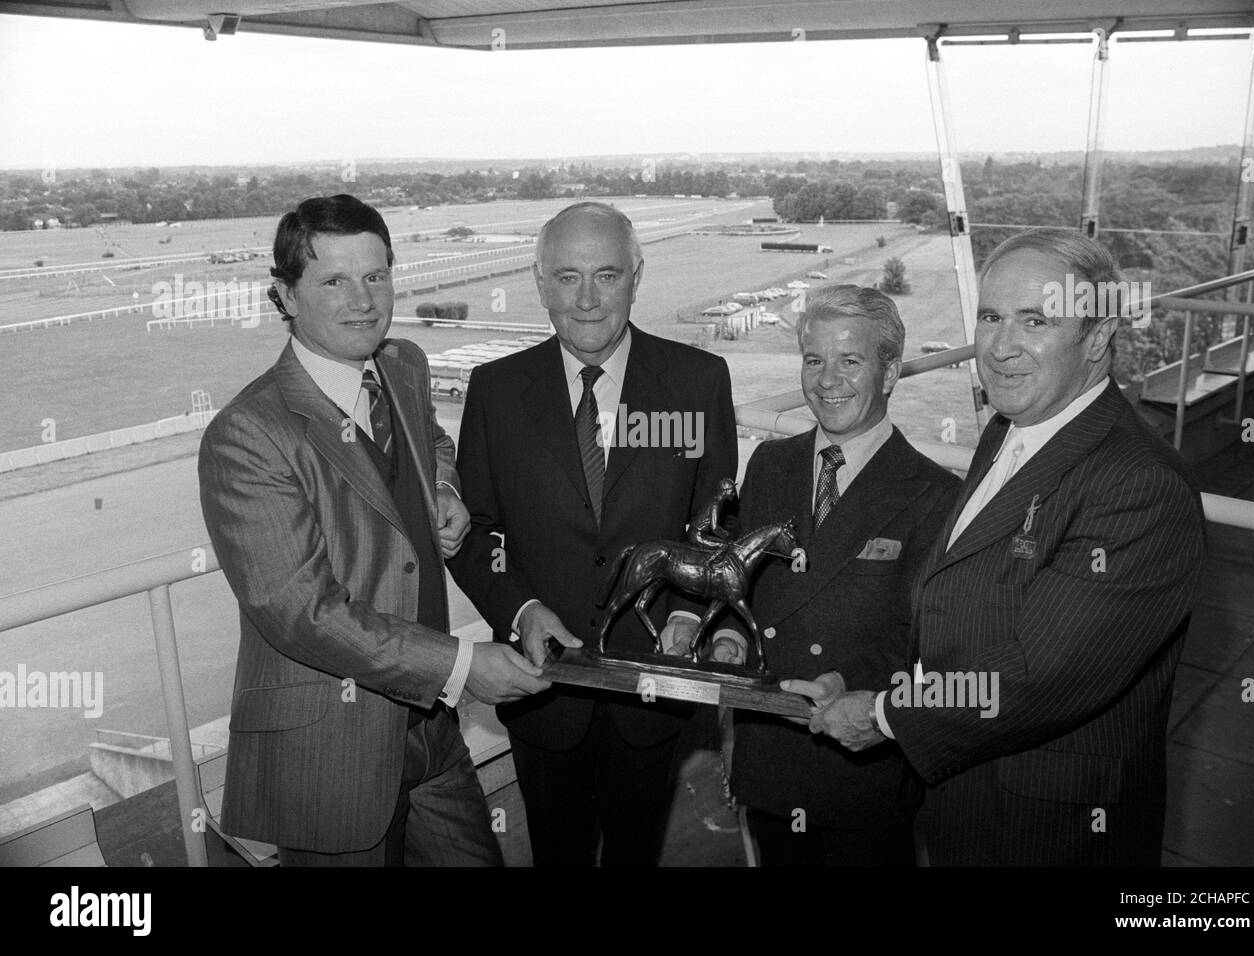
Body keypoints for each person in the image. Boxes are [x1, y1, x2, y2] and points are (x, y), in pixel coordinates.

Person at [796, 232, 1206, 866]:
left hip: (1049, 827)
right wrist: (878, 681)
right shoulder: (1010, 429)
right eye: (990, 317)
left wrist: (882, 713)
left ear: (1097, 337)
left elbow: (1039, 675)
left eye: (1036, 321)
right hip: (967, 798)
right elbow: (963, 605)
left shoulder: (1138, 485)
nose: (1000, 346)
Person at [198, 194, 549, 866]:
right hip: (329, 752)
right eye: (333, 281)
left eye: (376, 276)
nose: (363, 301)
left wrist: (443, 484)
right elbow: (301, 611)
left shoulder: (403, 366)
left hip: (431, 732)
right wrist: (464, 666)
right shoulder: (247, 435)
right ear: (285, 296)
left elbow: (433, 441)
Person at [448, 201, 738, 866]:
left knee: (635, 853)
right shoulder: (496, 390)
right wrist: (518, 607)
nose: (585, 300)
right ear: (540, 281)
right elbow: (479, 531)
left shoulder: (696, 382)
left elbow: (714, 525)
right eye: (567, 277)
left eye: (606, 276)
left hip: (654, 683)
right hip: (543, 687)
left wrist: (692, 613)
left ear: (637, 277)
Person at [707, 285, 960, 866]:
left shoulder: (934, 494)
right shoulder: (770, 463)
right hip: (770, 753)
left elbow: (933, 645)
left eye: (851, 361)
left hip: (862, 765)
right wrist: (729, 639)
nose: (828, 380)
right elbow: (746, 587)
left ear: (891, 371)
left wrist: (864, 694)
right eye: (814, 360)